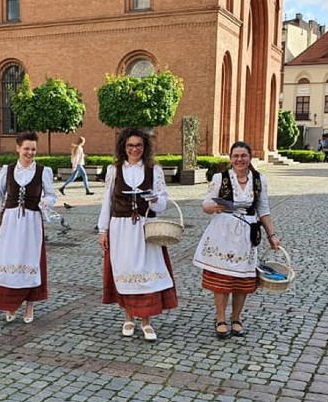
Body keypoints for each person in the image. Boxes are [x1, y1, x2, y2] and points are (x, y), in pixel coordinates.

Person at [192, 141, 280, 340]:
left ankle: (236, 318)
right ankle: (220, 319)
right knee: (221, 278)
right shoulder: (220, 178)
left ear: (250, 158)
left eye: (243, 156)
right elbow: (206, 203)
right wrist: (213, 207)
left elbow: (263, 210)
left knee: (243, 279)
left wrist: (272, 236)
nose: (239, 159)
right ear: (230, 158)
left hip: (246, 234)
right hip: (222, 232)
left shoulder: (259, 180)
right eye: (235, 156)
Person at [98, 128, 177, 341]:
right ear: (124, 147)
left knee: (145, 272)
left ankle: (146, 321)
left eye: (139, 145)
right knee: (126, 271)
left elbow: (162, 203)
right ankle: (128, 318)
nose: (134, 149)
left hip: (145, 227)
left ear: (145, 147)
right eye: (130, 145)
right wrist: (103, 230)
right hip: (121, 227)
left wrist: (153, 199)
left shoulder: (154, 170)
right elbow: (107, 201)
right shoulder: (114, 170)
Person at [0, 131, 57, 324]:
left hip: (32, 222)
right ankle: (10, 305)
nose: (30, 153)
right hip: (10, 223)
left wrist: (43, 203)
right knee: (10, 259)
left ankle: (29, 305)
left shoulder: (44, 171)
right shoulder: (7, 170)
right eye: (26, 148)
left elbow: (51, 195)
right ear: (18, 148)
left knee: (30, 260)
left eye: (33, 149)